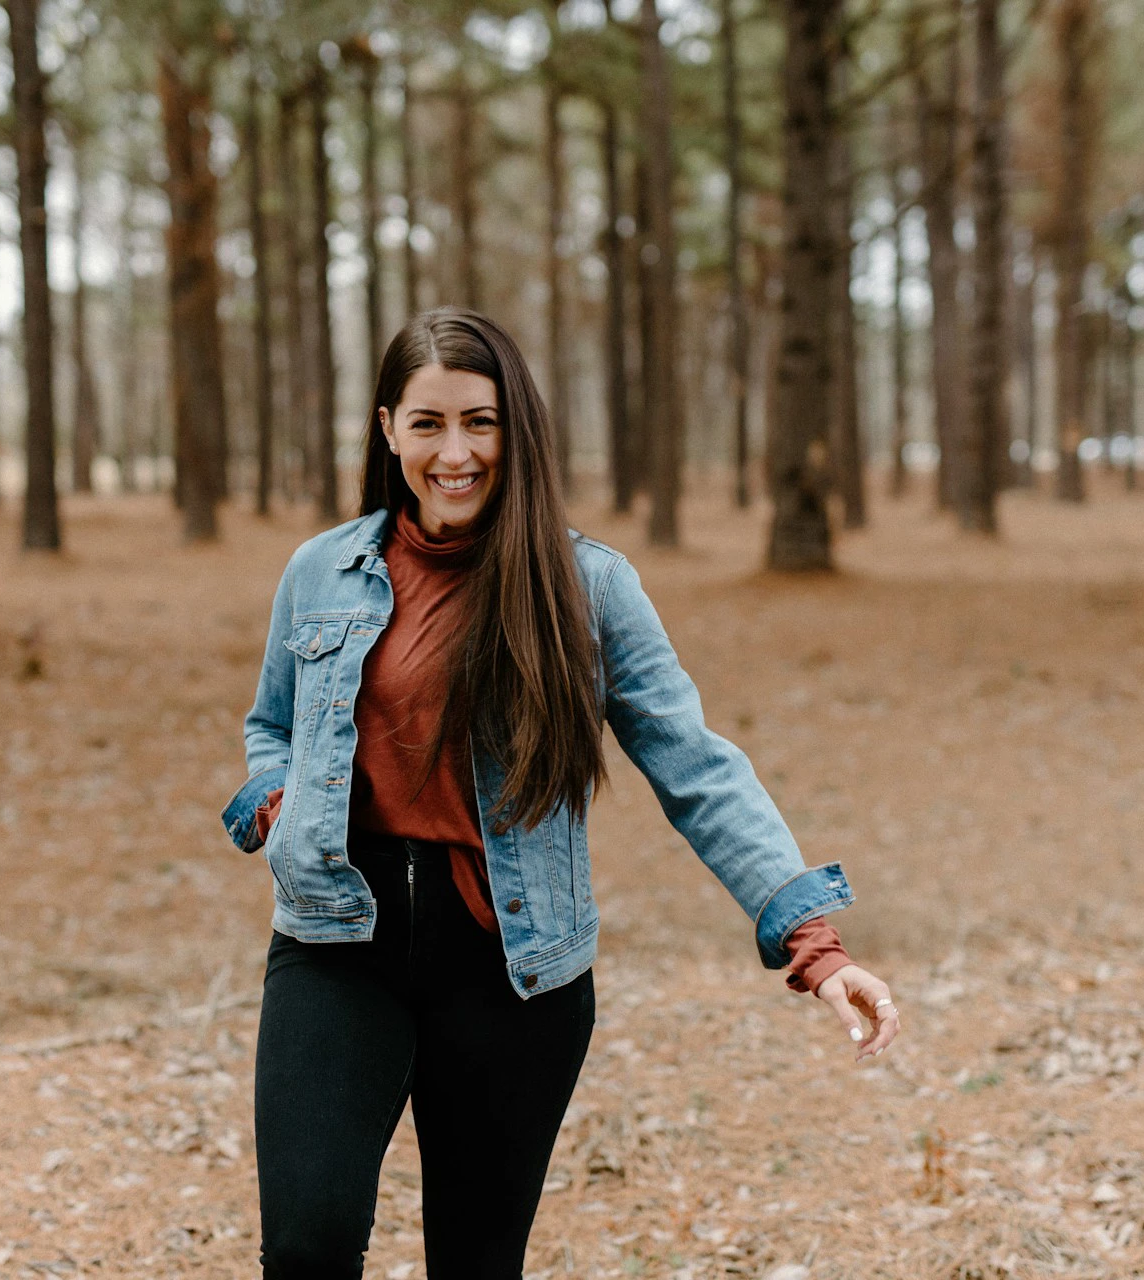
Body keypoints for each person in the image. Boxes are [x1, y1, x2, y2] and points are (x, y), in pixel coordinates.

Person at [221, 307, 900, 1278]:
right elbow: (271, 725)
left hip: (512, 971)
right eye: (427, 422)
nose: (454, 451)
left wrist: (815, 943)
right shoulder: (320, 569)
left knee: (477, 1261)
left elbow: (696, 765)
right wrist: (277, 805)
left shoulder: (585, 586)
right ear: (387, 431)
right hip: (337, 944)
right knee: (306, 1244)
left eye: (480, 421)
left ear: (518, 429)